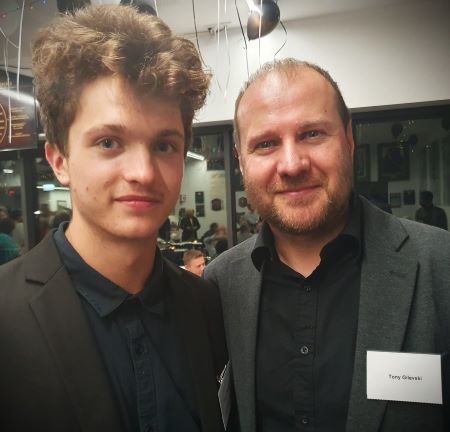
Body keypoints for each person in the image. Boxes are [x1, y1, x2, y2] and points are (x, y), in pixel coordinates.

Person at [0, 6, 228, 432]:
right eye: (109, 142)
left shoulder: (205, 305)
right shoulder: (6, 315)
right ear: (59, 160)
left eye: (164, 145)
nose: (142, 172)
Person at [205, 59, 450, 432]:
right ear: (241, 161)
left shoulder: (440, 264)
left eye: (312, 134)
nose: (291, 164)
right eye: (266, 143)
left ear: (349, 140)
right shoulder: (220, 282)